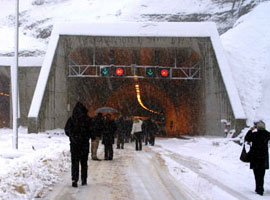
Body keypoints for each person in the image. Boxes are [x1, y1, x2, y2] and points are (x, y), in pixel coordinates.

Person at [64, 102, 95, 187]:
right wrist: (90, 137)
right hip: (84, 144)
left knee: (75, 162)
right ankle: (84, 179)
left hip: (74, 144)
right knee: (84, 163)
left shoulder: (71, 119)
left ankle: (74, 179)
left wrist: (72, 136)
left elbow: (66, 130)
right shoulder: (87, 119)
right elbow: (92, 131)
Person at [245, 120, 270, 196]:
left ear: (257, 128)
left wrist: (251, 129)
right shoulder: (267, 134)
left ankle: (258, 188)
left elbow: (247, 138)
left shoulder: (255, 134)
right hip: (263, 157)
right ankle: (261, 188)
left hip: (255, 157)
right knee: (262, 174)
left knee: (256, 173)